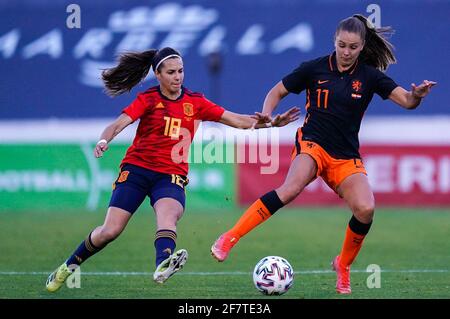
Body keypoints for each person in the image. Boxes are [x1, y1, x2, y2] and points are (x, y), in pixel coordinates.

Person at [211, 15, 436, 294]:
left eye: (353, 47)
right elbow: (277, 90)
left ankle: (343, 265)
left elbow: (406, 101)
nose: (346, 52)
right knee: (290, 189)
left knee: (366, 209)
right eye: (341, 45)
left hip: (345, 157)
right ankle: (229, 238)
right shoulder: (315, 68)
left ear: (362, 46)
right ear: (334, 41)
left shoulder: (370, 76)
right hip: (312, 144)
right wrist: (267, 116)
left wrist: (417, 95)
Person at [45, 47, 300, 292]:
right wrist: (103, 140)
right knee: (110, 231)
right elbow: (118, 124)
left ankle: (162, 265)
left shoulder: (195, 102)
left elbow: (237, 120)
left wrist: (272, 125)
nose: (177, 77)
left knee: (169, 216)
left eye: (180, 71)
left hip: (170, 175)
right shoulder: (148, 99)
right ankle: (68, 267)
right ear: (158, 75)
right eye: (171, 72)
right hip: (137, 169)